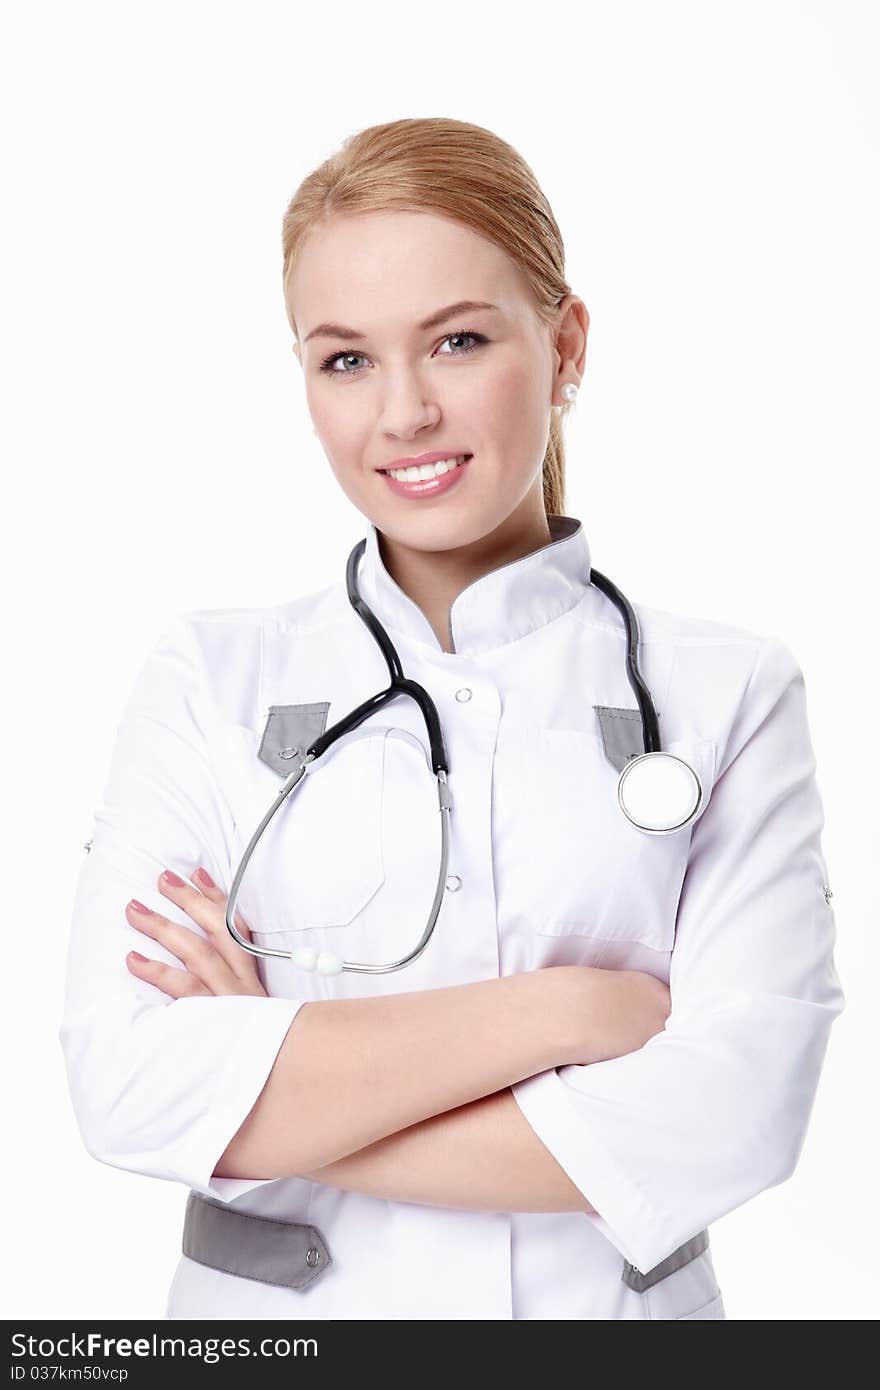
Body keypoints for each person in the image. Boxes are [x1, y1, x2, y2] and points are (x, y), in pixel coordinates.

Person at [58, 116, 845, 1321]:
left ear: (566, 342)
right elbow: (127, 1086)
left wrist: (269, 1081)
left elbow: (730, 1117)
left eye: (459, 341)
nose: (405, 412)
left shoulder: (724, 693)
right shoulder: (206, 679)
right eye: (345, 359)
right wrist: (569, 1011)